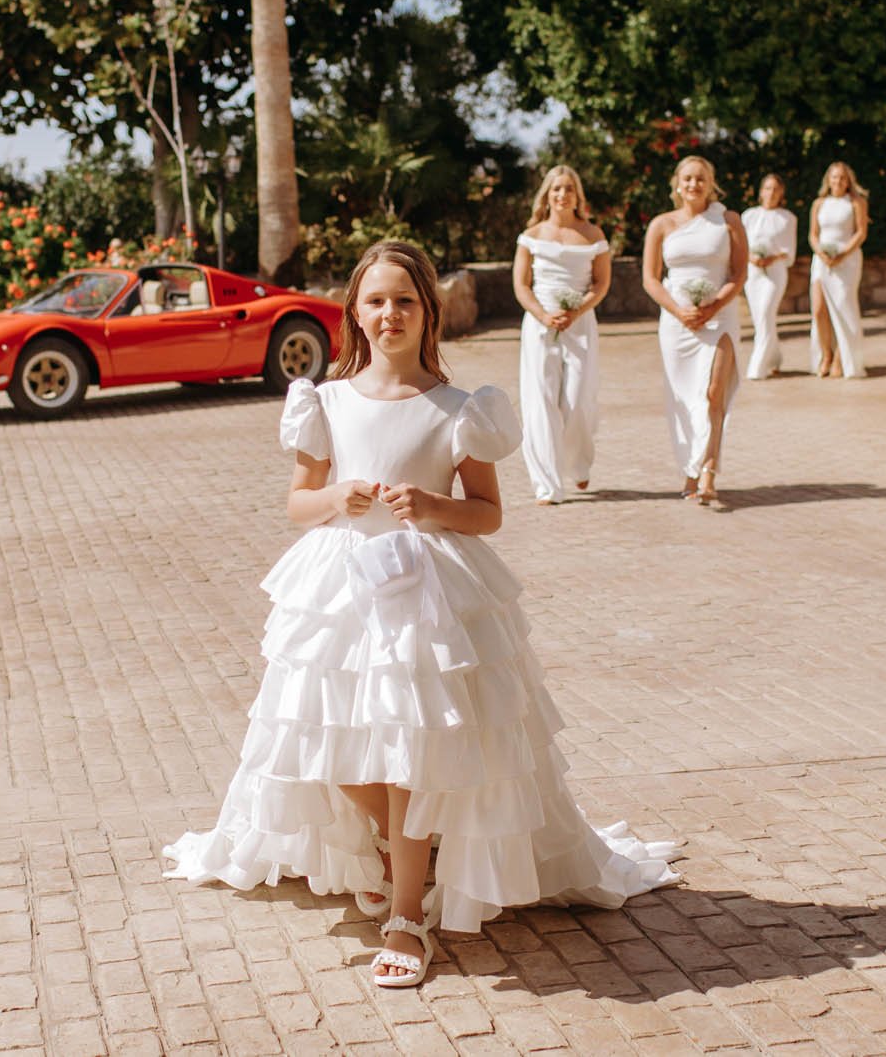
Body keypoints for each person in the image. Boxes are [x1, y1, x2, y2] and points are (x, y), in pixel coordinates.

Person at [163, 241, 681, 989]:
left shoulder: (459, 410)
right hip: (340, 593)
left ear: (427, 312)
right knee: (324, 743)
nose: (389, 313)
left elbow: (488, 513)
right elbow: (298, 502)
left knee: (407, 750)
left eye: (404, 300)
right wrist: (335, 500)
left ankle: (408, 911)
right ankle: (401, 844)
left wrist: (435, 506)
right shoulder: (328, 402)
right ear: (355, 313)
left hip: (425, 595)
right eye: (375, 300)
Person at [641, 156, 748, 509]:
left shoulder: (729, 220)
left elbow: (738, 274)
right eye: (687, 179)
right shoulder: (661, 224)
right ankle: (690, 467)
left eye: (700, 179)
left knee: (713, 392)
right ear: (676, 183)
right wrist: (679, 311)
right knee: (684, 398)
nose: (693, 185)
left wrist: (712, 307)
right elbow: (651, 278)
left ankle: (709, 471)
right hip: (676, 324)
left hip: (719, 317)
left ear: (711, 183)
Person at [513, 167, 612, 505]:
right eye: (556, 189)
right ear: (547, 194)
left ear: (577, 196)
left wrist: (577, 311)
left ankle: (578, 463)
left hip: (580, 323)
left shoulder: (593, 234)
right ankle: (547, 485)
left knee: (577, 398)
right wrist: (543, 315)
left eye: (569, 188)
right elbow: (521, 284)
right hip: (540, 324)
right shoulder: (532, 235)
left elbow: (601, 284)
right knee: (540, 400)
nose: (562, 194)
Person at [808, 162, 869, 379]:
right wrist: (822, 253)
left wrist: (842, 254)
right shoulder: (819, 203)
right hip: (821, 261)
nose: (838, 181)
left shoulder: (856, 202)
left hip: (847, 260)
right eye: (834, 177)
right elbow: (813, 234)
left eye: (842, 177)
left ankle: (841, 358)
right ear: (828, 179)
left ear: (848, 180)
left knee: (844, 307)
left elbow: (861, 233)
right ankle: (826, 354)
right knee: (818, 309)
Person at [739, 174, 798, 381]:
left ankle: (757, 366)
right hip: (752, 272)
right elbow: (740, 245)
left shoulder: (788, 218)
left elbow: (790, 251)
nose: (771, 193)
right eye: (767, 188)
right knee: (761, 319)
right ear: (761, 191)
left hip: (775, 271)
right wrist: (752, 258)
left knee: (765, 313)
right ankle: (775, 358)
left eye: (775, 189)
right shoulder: (749, 216)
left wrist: (771, 257)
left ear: (781, 193)